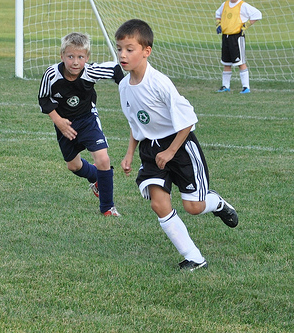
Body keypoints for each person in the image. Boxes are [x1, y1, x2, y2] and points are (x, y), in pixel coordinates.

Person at [115, 19, 238, 271]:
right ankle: (194, 257)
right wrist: (129, 154)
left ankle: (217, 203)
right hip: (150, 149)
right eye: (119, 49)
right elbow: (136, 123)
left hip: (180, 146)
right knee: (159, 204)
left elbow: (187, 120)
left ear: (146, 51)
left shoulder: (159, 83)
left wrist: (170, 151)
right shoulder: (124, 86)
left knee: (193, 207)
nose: (122, 55)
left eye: (129, 49)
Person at [38, 32, 124, 216]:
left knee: (103, 159)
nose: (75, 62)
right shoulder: (51, 74)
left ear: (87, 57)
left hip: (87, 118)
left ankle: (107, 208)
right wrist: (58, 121)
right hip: (64, 123)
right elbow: (43, 99)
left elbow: (116, 70)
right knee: (73, 166)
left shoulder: (91, 71)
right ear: (62, 56)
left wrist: (129, 91)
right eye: (70, 57)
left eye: (80, 57)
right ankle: (95, 178)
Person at [215, 0, 262, 93]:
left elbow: (257, 14)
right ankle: (225, 86)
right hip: (225, 36)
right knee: (226, 63)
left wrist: (246, 25)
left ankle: (246, 87)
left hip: (236, 37)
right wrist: (218, 24)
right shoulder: (225, 4)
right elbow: (218, 14)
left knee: (240, 62)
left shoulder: (242, 5)